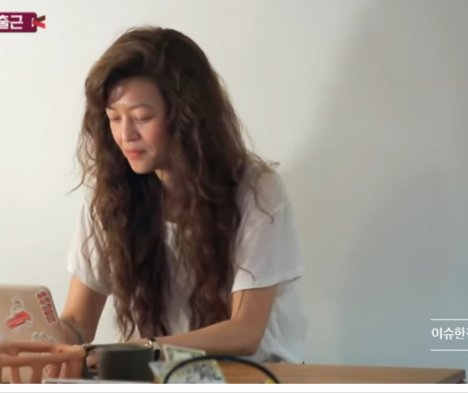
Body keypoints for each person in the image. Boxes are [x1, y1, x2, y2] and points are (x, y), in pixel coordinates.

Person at [57, 26, 307, 365]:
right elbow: (76, 322)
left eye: (141, 117)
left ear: (187, 116)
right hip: (165, 374)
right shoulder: (111, 194)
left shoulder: (256, 190)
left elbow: (245, 332)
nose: (125, 135)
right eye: (114, 118)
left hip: (253, 374)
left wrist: (141, 350)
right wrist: (34, 342)